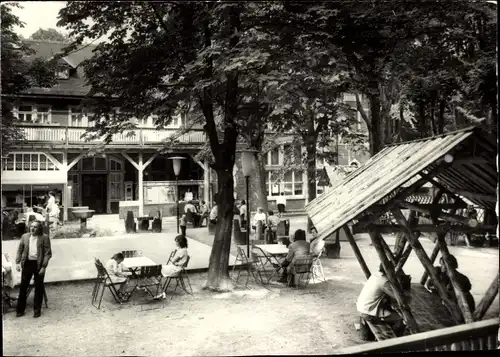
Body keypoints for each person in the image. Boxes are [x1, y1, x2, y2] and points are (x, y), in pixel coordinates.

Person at [357, 264, 410, 337]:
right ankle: (394, 341)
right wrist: (406, 292)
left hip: (362, 306)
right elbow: (399, 298)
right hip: (367, 313)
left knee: (391, 310)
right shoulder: (384, 282)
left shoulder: (375, 275)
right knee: (401, 318)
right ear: (390, 271)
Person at [15, 220, 52, 318]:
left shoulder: (44, 238)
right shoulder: (25, 237)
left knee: (38, 287)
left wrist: (44, 267)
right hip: (27, 263)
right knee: (23, 287)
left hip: (38, 264)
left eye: (35, 227)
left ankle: (37, 310)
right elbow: (20, 250)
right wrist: (17, 263)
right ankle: (20, 310)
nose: (32, 228)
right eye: (31, 226)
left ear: (39, 228)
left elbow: (48, 253)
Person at [155, 235, 189, 299]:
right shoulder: (182, 249)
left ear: (180, 242)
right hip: (175, 267)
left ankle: (161, 291)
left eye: (177, 241)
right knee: (159, 269)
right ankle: (161, 291)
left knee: (158, 269)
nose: (175, 243)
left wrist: (173, 260)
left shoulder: (182, 251)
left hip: (176, 270)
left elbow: (173, 261)